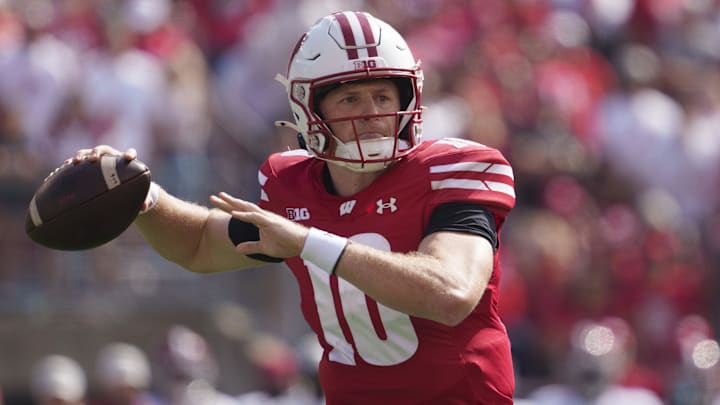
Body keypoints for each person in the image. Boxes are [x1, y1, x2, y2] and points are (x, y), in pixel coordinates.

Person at [70, 11, 516, 403]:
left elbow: (451, 292)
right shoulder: (294, 188)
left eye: (383, 96)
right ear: (309, 109)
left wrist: (307, 242)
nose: (372, 113)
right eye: (350, 99)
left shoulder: (452, 171)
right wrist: (146, 199)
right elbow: (200, 245)